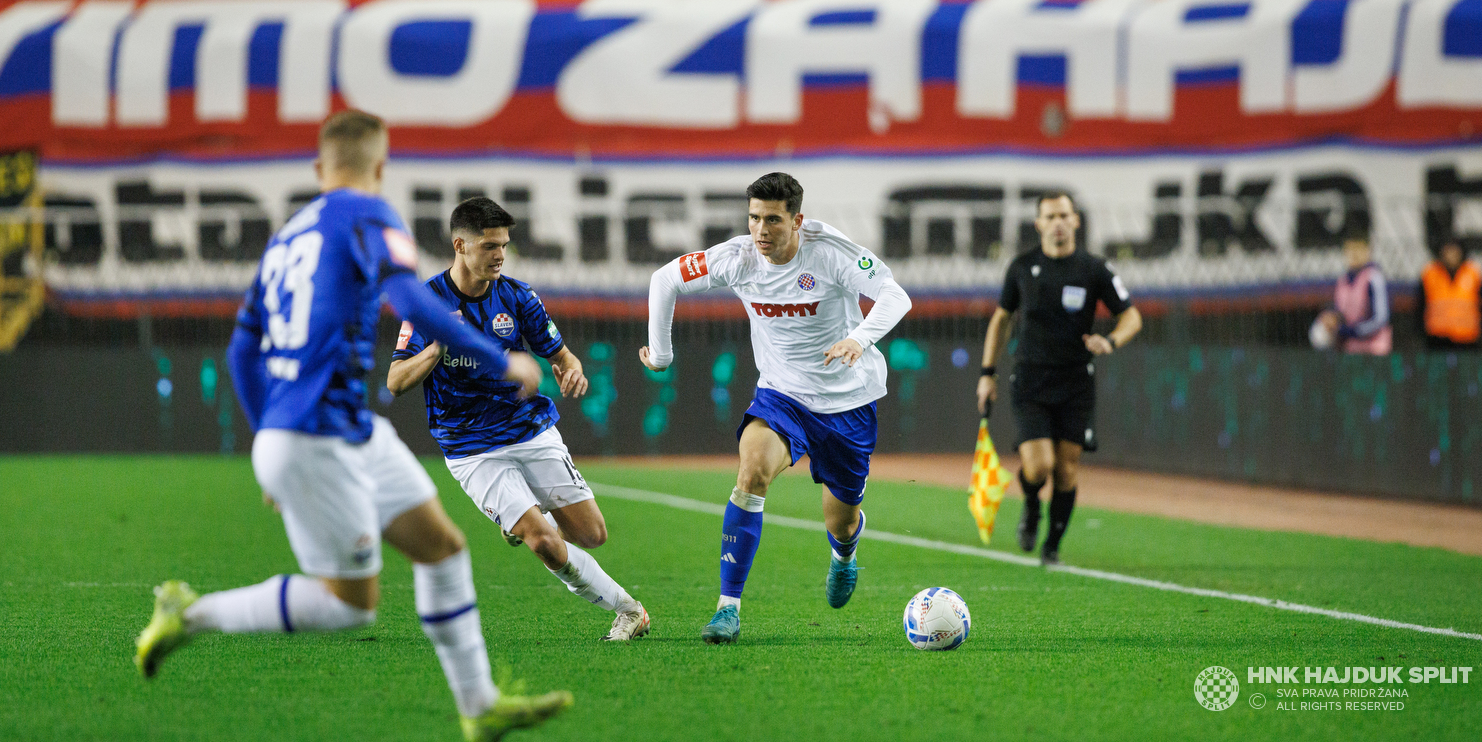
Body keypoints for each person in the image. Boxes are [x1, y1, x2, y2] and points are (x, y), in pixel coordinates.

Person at [133, 111, 571, 742]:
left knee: (443, 550)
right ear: (381, 167)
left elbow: (240, 348)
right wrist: (502, 358)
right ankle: (191, 614)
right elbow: (416, 300)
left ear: (319, 169)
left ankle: (480, 706)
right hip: (315, 437)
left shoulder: (289, 236)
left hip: (335, 430)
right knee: (346, 606)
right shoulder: (366, 214)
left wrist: (264, 439)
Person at [640, 172, 912, 644]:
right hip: (781, 395)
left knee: (841, 520)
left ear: (797, 220)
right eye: (753, 218)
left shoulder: (830, 253)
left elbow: (895, 295)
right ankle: (728, 609)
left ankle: (845, 552)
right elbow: (664, 280)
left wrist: (857, 338)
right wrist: (660, 355)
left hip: (847, 401)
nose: (760, 230)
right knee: (751, 474)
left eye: (771, 219)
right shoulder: (738, 258)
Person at [388, 196, 650, 642]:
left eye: (504, 245)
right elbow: (395, 381)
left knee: (591, 534)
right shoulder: (428, 303)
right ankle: (629, 610)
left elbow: (561, 354)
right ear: (460, 246)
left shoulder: (518, 296)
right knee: (544, 541)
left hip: (529, 429)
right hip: (470, 447)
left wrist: (572, 368)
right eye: (490, 245)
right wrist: (438, 347)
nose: (500, 255)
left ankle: (524, 510)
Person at [975, 192, 1141, 566]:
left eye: (1064, 215)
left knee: (1067, 470)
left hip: (1076, 383)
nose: (1058, 223)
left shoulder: (1094, 269)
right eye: (1050, 217)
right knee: (1039, 467)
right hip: (1031, 380)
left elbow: (1132, 317)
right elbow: (1001, 319)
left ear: (1076, 220)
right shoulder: (1022, 267)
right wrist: (987, 373)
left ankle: (1051, 547)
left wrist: (1110, 340)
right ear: (1039, 224)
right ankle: (1032, 506)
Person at [1313, 234, 1392, 355]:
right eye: (1350, 250)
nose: (1354, 254)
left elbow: (1380, 319)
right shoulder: (1343, 280)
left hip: (1374, 350)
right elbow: (1341, 311)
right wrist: (1331, 319)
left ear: (1367, 251)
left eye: (1358, 249)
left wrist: (1353, 331)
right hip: (1351, 350)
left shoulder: (1373, 278)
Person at [1419, 239, 1482, 349]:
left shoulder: (1473, 273)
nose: (1451, 256)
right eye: (1448, 251)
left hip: (1468, 338)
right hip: (1437, 339)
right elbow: (1421, 305)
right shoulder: (1430, 273)